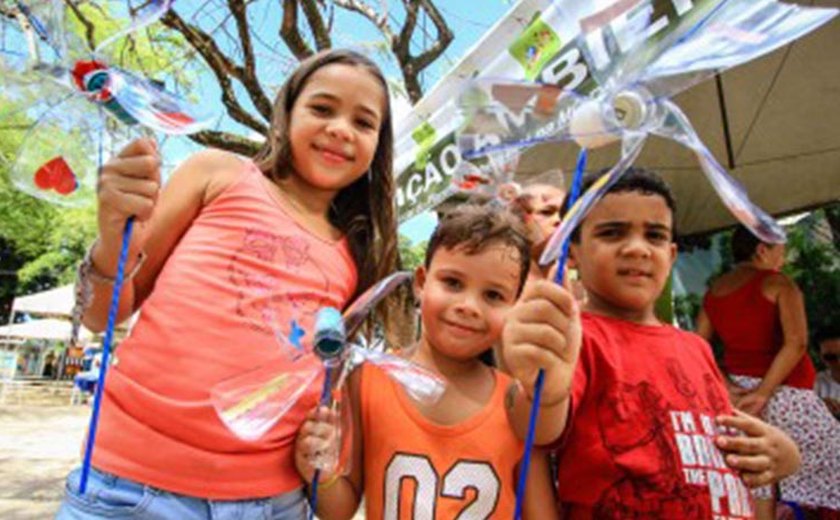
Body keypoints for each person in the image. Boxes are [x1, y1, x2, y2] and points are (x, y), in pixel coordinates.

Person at [57, 49, 400, 519]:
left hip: (272, 502)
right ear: (285, 115)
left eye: (363, 122)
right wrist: (113, 237)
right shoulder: (215, 175)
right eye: (322, 109)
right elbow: (102, 313)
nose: (341, 128)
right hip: (128, 488)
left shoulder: (356, 257)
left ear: (378, 145)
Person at [501, 169, 803, 519]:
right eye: (612, 233)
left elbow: (722, 434)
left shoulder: (696, 347)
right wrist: (545, 388)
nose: (637, 248)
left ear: (672, 254)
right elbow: (536, 428)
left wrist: (784, 454)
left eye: (655, 235)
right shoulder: (575, 337)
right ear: (570, 252)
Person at [295, 204, 558, 519]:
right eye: (453, 283)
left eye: (493, 296)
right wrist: (320, 473)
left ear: (514, 305)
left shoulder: (520, 404)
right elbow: (340, 509)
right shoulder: (367, 380)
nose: (468, 306)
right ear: (421, 282)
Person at [698, 225, 840, 515]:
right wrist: (763, 392)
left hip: (737, 399)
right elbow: (797, 343)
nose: (783, 259)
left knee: (759, 484)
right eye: (780, 250)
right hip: (786, 394)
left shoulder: (714, 292)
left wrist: (726, 385)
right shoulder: (779, 284)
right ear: (762, 250)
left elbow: (697, 345)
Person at [815, 325, 840, 418]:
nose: (839, 362)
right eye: (830, 357)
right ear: (821, 357)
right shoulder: (816, 383)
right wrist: (818, 406)